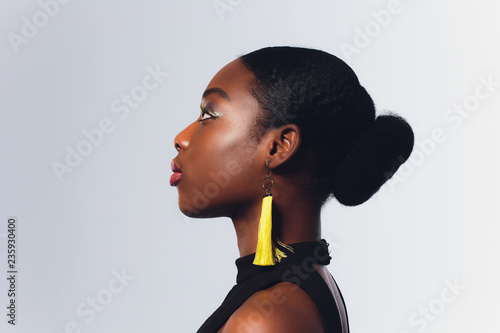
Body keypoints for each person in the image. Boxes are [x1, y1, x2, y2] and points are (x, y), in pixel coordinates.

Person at [171, 46, 414, 333]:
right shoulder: (305, 284)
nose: (181, 138)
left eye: (209, 115)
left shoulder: (265, 320)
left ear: (278, 147)